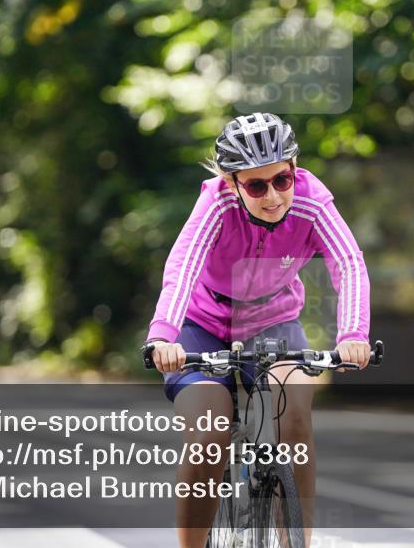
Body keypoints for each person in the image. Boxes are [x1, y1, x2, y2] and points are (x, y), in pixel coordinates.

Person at [144, 112, 372, 548]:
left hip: (274, 322)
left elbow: (349, 263)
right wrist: (163, 335)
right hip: (201, 326)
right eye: (256, 185)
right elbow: (183, 266)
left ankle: (297, 543)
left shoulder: (311, 200)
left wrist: (352, 336)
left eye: (281, 180)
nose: (273, 196)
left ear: (294, 170)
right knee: (210, 432)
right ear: (233, 183)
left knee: (295, 418)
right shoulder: (216, 203)